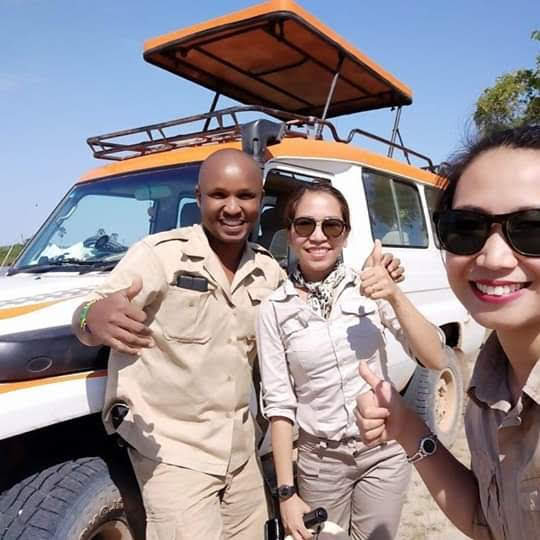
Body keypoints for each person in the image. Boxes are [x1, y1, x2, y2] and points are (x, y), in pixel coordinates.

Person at [72, 148, 284, 540]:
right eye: (219, 195)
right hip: (173, 450)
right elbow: (89, 314)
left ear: (260, 199)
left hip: (240, 450)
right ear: (199, 198)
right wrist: (92, 317)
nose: (232, 208)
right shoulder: (159, 257)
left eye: (245, 196)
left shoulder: (267, 270)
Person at [355, 124, 540, 540]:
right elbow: (489, 522)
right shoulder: (491, 384)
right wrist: (407, 427)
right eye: (466, 228)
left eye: (532, 229)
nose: (493, 258)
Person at [256, 183, 447, 540]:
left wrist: (393, 293)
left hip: (383, 453)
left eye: (331, 226)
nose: (318, 236)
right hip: (320, 462)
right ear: (290, 233)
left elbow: (434, 357)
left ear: (345, 234)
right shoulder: (274, 310)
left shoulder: (370, 287)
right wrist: (286, 494)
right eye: (305, 224)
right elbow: (279, 406)